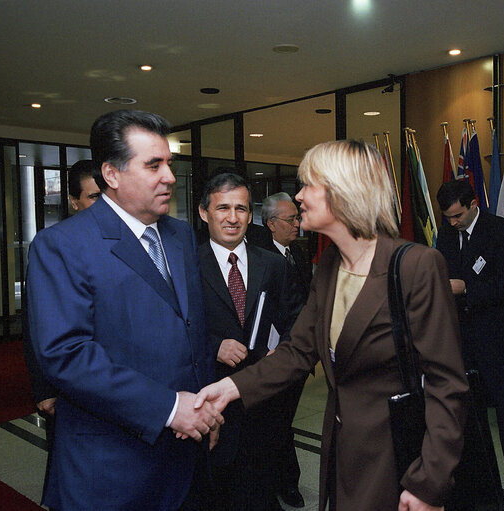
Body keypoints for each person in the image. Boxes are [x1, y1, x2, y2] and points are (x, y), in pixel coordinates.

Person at [195, 139, 468, 511]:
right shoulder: (328, 266)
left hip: (399, 463)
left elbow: (446, 383)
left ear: (343, 194)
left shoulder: (417, 265)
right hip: (341, 456)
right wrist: (229, 388)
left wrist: (429, 482)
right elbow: (298, 351)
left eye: (309, 186)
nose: (300, 196)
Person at [26, 110, 223, 511]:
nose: (169, 176)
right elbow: (66, 355)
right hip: (113, 467)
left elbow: (192, 330)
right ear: (111, 175)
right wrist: (170, 409)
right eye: (154, 165)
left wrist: (204, 409)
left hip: (189, 455)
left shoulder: (181, 235)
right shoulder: (62, 245)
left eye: (169, 163)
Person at [435, 179, 504, 510]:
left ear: (474, 203)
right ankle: (476, 487)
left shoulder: (502, 231)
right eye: (448, 217)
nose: (453, 223)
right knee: (467, 417)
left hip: (497, 338)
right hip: (460, 339)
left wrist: (466, 288)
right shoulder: (447, 233)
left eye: (457, 215)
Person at [197, 172, 296, 511]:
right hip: (210, 403)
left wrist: (282, 349)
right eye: (222, 207)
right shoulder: (186, 266)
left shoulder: (273, 265)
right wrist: (214, 346)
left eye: (240, 208)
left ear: (251, 216)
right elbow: (171, 328)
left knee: (258, 491)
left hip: (262, 402)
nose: (232, 217)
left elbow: (295, 317)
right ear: (204, 213)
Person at [20, 159, 100, 503]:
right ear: (74, 201)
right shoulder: (53, 246)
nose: (104, 204)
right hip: (66, 386)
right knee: (69, 471)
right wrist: (43, 388)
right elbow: (34, 325)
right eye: (95, 196)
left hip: (108, 380)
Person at [260, 191, 314, 508]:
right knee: (276, 422)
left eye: (297, 217)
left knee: (283, 419)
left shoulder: (299, 253)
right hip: (273, 353)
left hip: (299, 352)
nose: (297, 224)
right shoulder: (261, 258)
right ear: (271, 224)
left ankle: (285, 480)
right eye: (290, 219)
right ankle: (280, 483)